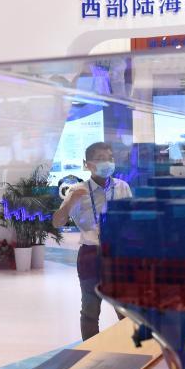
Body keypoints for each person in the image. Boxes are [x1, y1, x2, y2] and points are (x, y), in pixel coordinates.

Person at [52, 141, 132, 341]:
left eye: (110, 158)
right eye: (101, 159)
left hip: (117, 254)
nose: (107, 162)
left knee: (125, 309)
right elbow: (57, 222)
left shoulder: (122, 187)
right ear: (88, 164)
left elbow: (131, 219)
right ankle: (89, 351)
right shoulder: (78, 191)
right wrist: (70, 203)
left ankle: (131, 350)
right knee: (90, 309)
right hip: (90, 255)